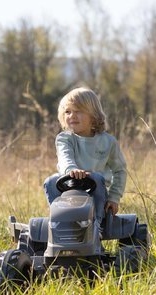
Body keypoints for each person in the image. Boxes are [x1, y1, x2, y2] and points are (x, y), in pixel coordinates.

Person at [43, 86, 127, 235]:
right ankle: (59, 223)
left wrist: (114, 198)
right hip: (67, 185)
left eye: (78, 111)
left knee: (96, 177)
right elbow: (64, 157)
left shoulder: (108, 142)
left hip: (95, 190)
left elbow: (119, 170)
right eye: (68, 112)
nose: (72, 116)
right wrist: (71, 170)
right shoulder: (65, 138)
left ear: (93, 115)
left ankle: (97, 226)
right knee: (50, 181)